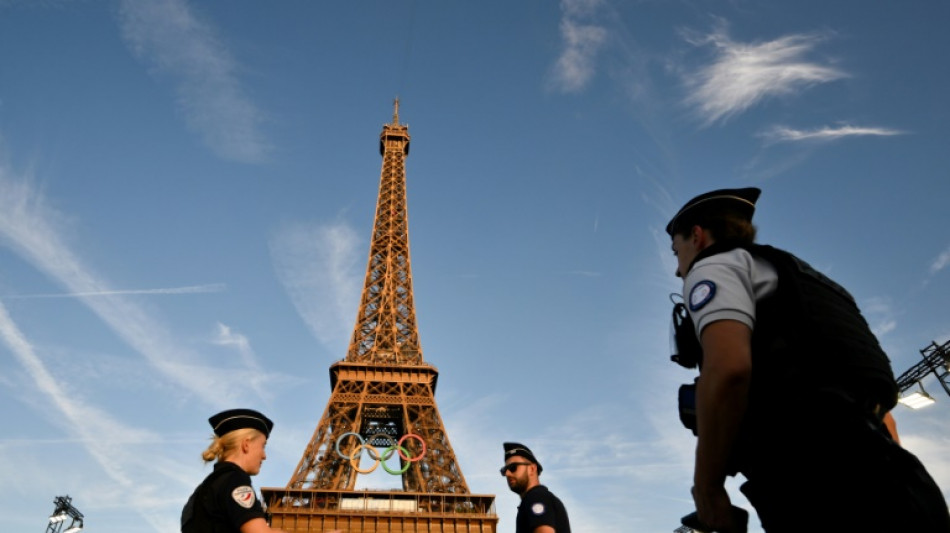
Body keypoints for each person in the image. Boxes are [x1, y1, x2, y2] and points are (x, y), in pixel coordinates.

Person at [666, 187, 950, 533]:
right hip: (900, 476)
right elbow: (883, 414)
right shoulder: (811, 282)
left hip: (812, 476)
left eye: (676, 250)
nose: (678, 269)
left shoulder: (714, 265)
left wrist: (707, 489)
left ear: (697, 236)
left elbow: (728, 369)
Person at [181, 408, 288, 533]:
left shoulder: (203, 491)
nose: (264, 456)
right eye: (263, 446)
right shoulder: (234, 480)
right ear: (246, 444)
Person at [501, 442, 571, 533]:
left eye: (513, 467)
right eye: (504, 470)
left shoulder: (536, 497)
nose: (507, 474)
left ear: (532, 469)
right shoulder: (538, 498)